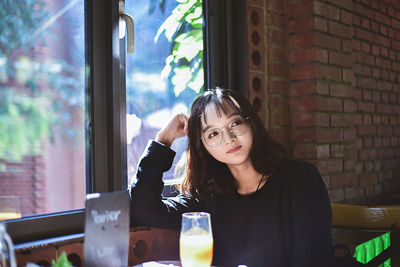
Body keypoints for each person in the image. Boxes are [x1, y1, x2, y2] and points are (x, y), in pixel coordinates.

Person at [130, 88, 333, 266]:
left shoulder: (300, 180)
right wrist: (163, 140)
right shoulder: (207, 198)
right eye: (213, 134)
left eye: (235, 123)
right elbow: (143, 210)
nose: (229, 138)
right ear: (204, 148)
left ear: (251, 122)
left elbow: (312, 260)